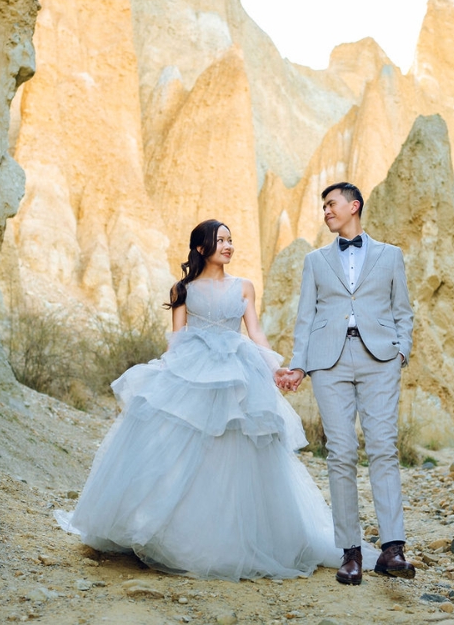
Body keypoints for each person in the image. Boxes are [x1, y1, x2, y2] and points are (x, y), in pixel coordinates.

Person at [57, 219, 340, 581]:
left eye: (231, 239)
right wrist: (167, 375)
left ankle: (233, 541)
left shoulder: (244, 288)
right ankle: (174, 535)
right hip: (193, 368)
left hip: (238, 371)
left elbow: (255, 333)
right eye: (220, 239)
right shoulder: (183, 289)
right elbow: (177, 339)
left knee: (235, 450)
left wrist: (275, 371)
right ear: (202, 247)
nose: (228, 245)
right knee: (183, 450)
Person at [275, 182, 416, 585]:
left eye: (331, 204)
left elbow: (403, 310)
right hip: (329, 362)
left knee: (384, 448)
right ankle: (350, 553)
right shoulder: (315, 261)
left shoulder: (391, 256)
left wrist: (400, 350)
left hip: (380, 360)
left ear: (354, 206)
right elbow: (305, 318)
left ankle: (392, 549)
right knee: (340, 452)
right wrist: (299, 366)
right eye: (323, 207)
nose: (326, 212)